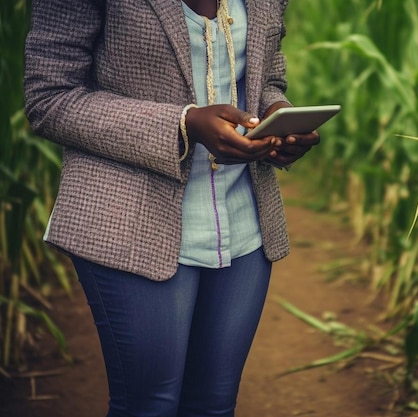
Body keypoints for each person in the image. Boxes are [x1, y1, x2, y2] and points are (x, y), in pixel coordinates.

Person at [23, 0, 319, 416]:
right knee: (149, 406)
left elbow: (266, 74)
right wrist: (184, 124)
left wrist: (277, 115)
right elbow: (50, 98)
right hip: (128, 222)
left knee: (214, 405)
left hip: (242, 224)